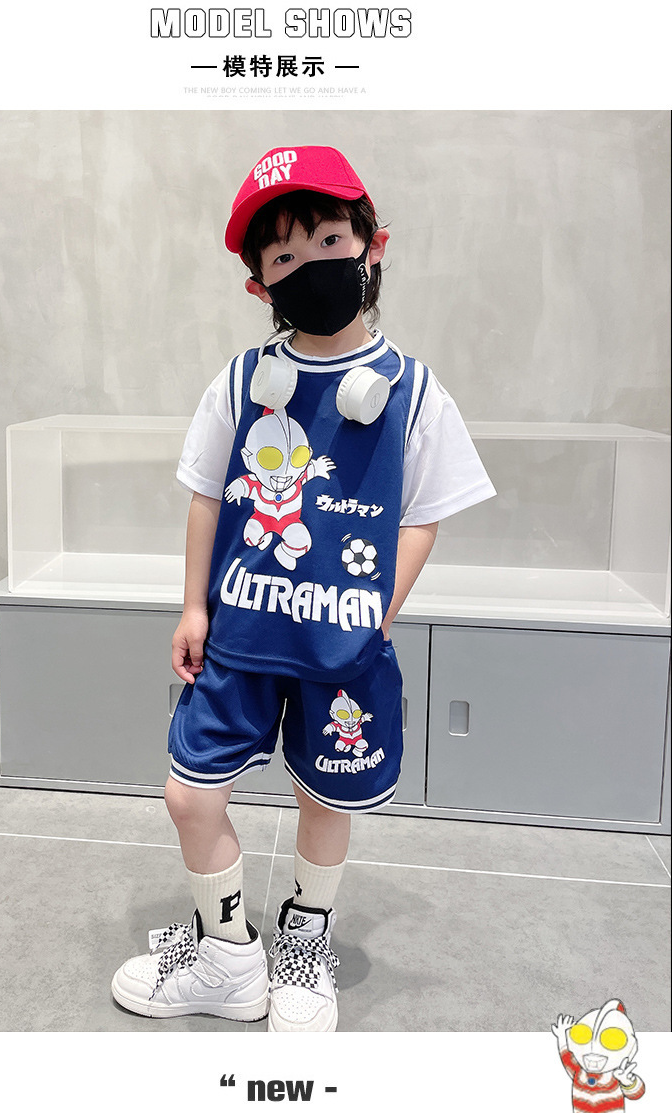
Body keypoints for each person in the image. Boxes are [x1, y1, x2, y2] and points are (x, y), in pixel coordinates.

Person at [111, 145, 496, 1032]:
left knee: (324, 797)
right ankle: (226, 958)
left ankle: (305, 941)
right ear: (261, 285)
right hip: (240, 636)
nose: (311, 263)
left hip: (343, 646)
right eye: (285, 255)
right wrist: (194, 604)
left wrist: (378, 614)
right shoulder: (241, 382)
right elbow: (207, 493)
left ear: (372, 245)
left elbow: (423, 515)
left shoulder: (415, 392)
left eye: (329, 239)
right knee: (188, 793)